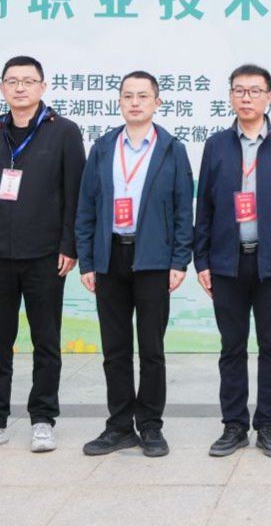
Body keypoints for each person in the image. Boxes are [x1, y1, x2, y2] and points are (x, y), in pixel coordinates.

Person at [0, 55, 86, 455]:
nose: (20, 88)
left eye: (28, 81)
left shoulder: (64, 132)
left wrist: (70, 246)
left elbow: (75, 193)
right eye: (12, 81)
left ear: (43, 87)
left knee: (46, 340)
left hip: (46, 255)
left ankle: (43, 419)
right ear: (2, 88)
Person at [194, 64, 271, 458]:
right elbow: (204, 207)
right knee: (231, 347)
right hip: (226, 263)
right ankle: (233, 425)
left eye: (255, 91)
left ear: (269, 97)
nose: (247, 98)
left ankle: (268, 425)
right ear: (230, 96)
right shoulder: (216, 145)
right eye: (239, 90)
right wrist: (202, 260)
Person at [76, 71, 194, 458]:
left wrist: (180, 259)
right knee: (115, 348)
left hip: (153, 258)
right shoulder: (103, 147)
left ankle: (151, 424)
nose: (135, 102)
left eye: (143, 96)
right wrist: (87, 260)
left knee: (151, 348)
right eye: (128, 96)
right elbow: (87, 206)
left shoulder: (172, 149)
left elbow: (183, 209)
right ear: (120, 102)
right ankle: (119, 425)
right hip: (110, 255)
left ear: (157, 102)